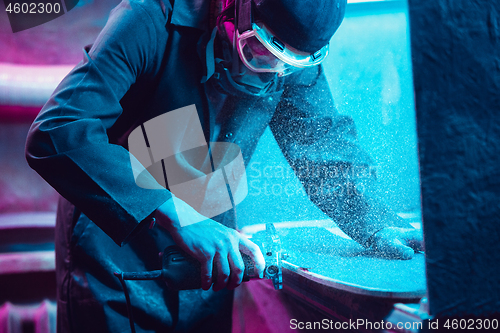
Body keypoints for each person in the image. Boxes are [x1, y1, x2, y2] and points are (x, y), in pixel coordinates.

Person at [25, 0, 423, 332]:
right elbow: (58, 130)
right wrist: (182, 217)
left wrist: (374, 221)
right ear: (235, 9)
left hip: (210, 258)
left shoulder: (291, 52)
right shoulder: (150, 17)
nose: (273, 74)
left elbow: (321, 143)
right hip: (114, 251)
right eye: (258, 53)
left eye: (288, 66)